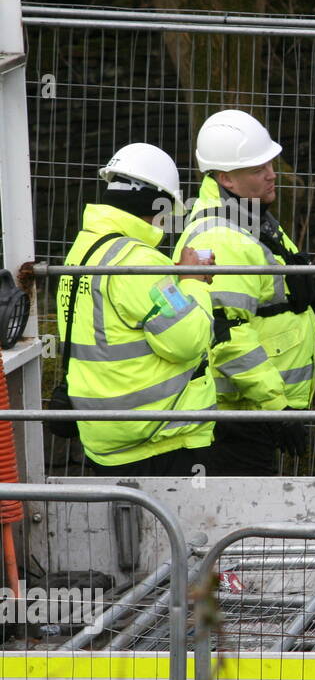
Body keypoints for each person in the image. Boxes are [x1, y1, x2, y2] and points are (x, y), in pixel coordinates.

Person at [175, 110, 315, 475]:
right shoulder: (222, 237)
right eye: (259, 169)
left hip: (252, 411)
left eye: (270, 163)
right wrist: (278, 410)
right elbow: (227, 337)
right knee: (246, 523)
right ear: (226, 178)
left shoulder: (251, 220)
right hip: (241, 416)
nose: (273, 174)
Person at [57, 143, 216, 475]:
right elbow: (187, 340)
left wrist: (171, 280)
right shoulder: (140, 262)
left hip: (103, 437)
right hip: (157, 439)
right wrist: (193, 281)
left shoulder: (85, 248)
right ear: (156, 203)